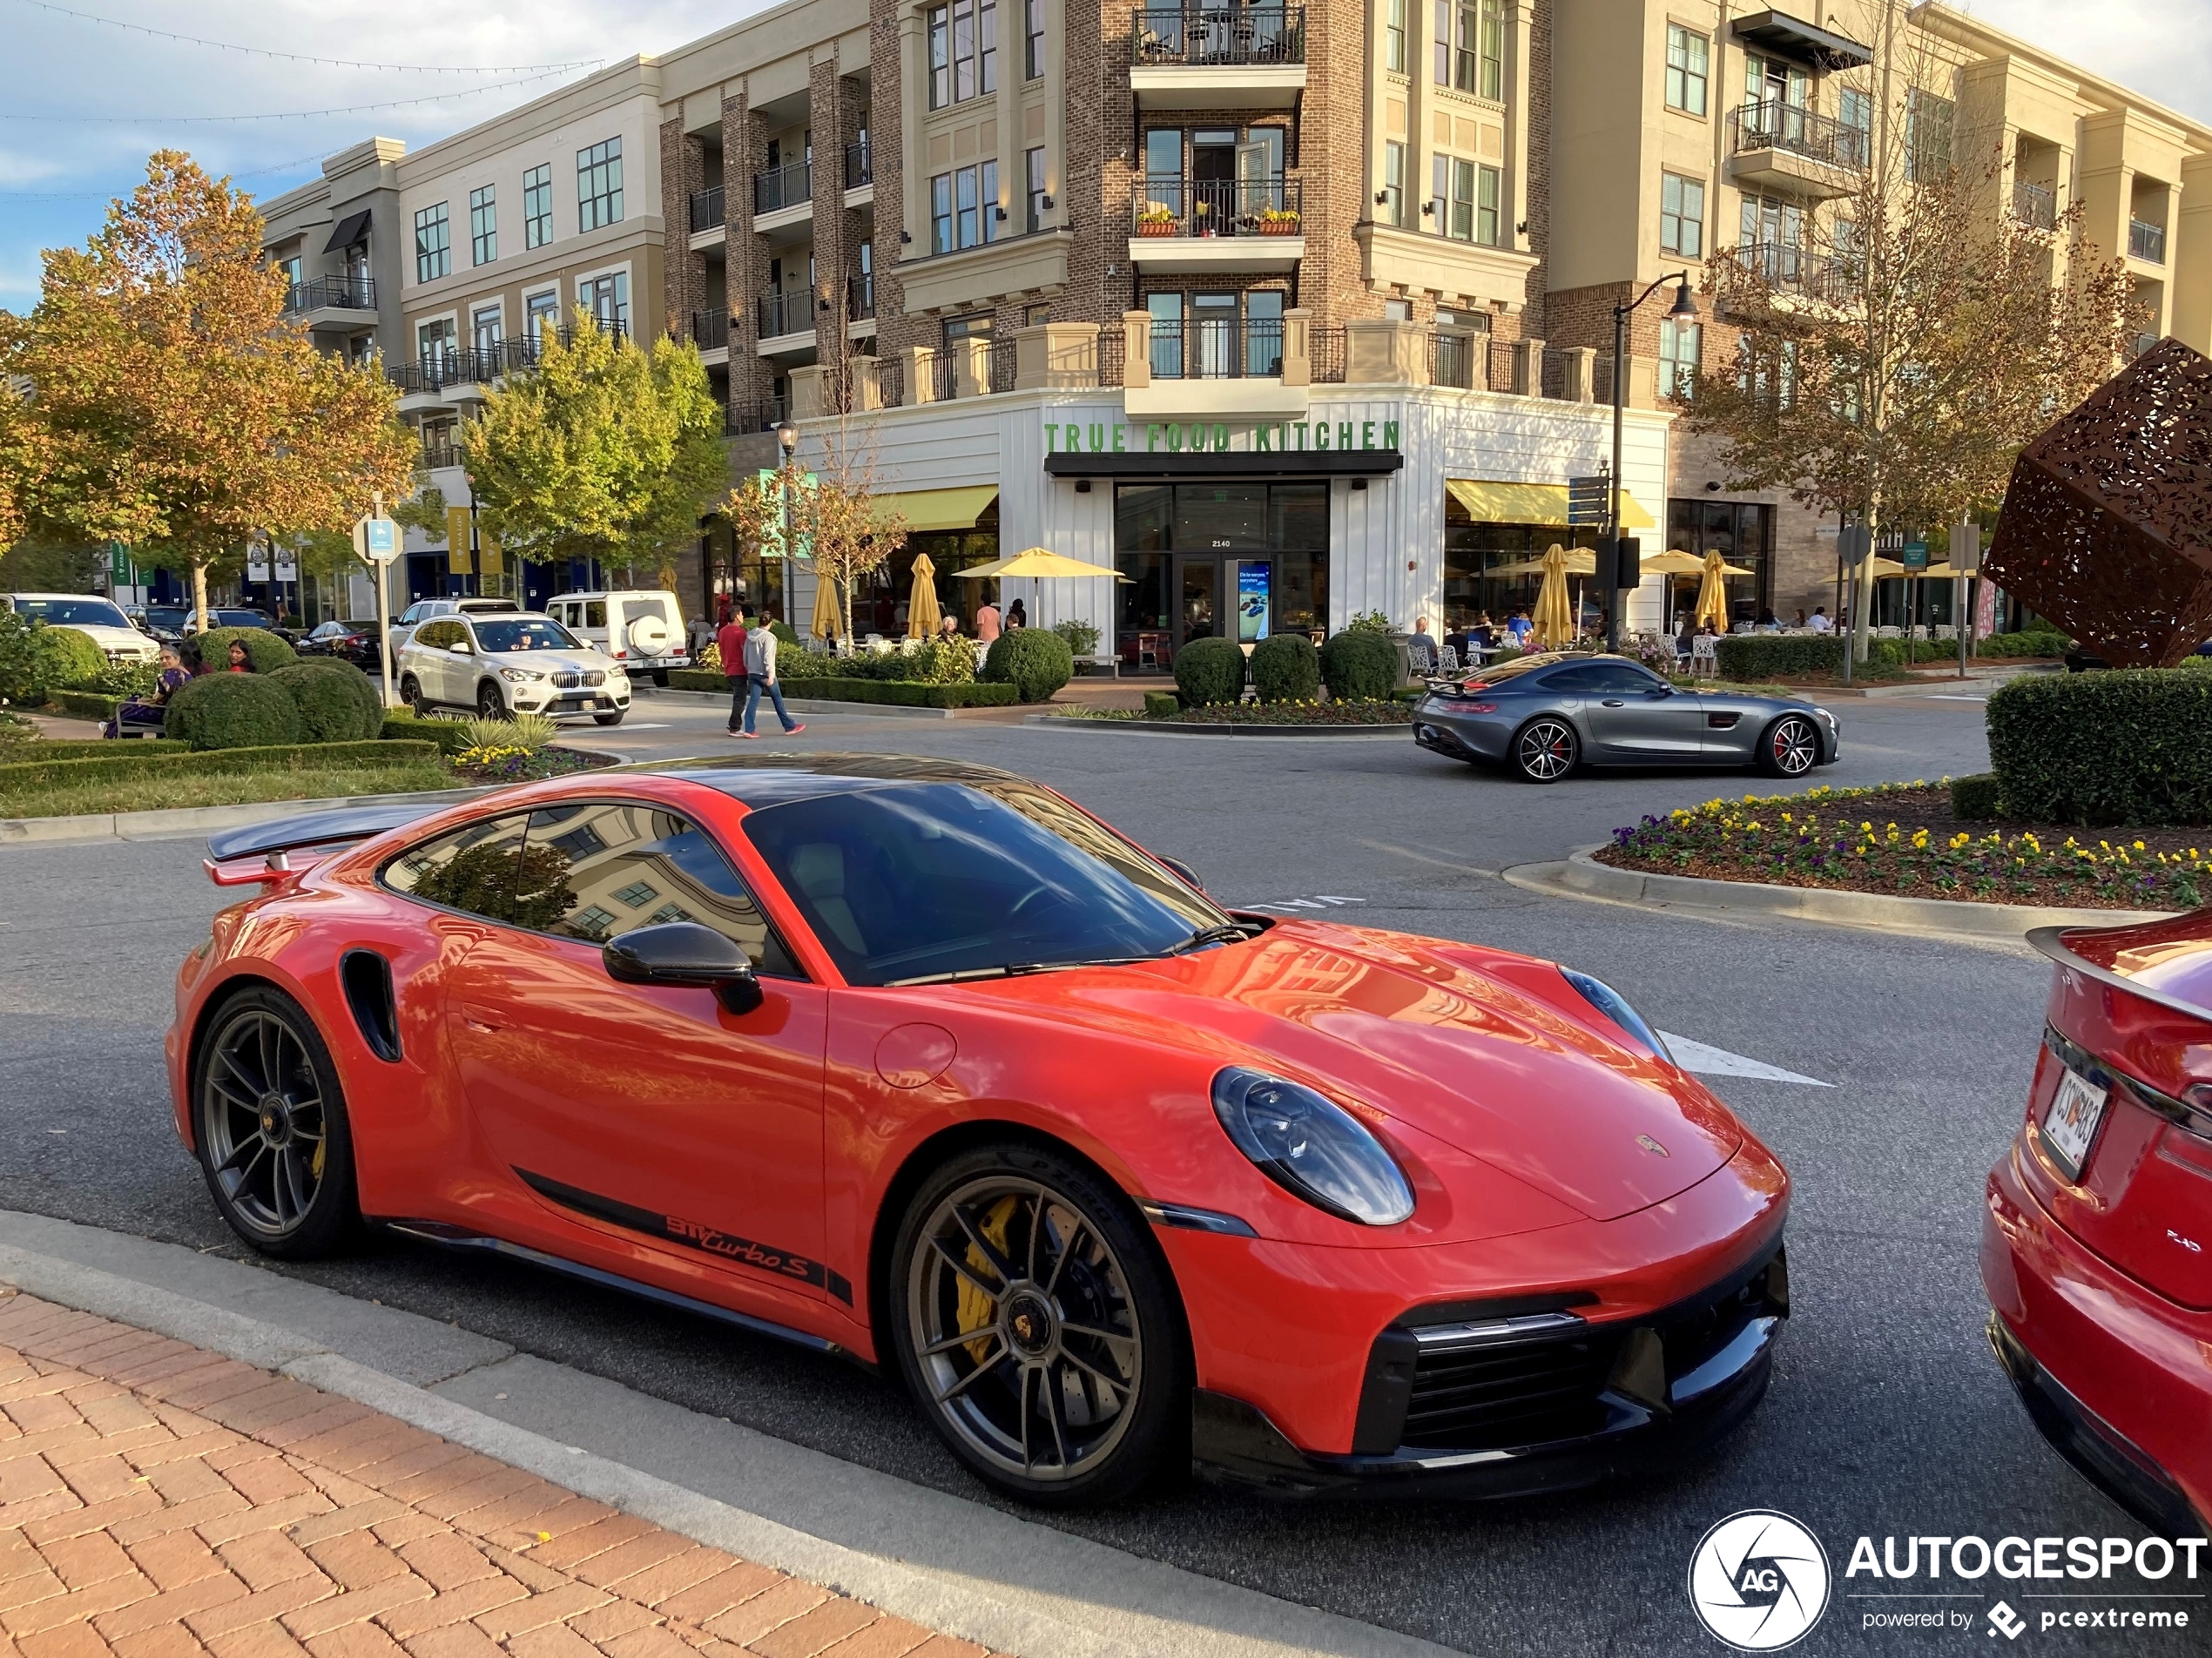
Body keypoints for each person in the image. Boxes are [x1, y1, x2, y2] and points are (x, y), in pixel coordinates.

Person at [738, 619, 806, 738]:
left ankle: (749, 729)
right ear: (770, 623)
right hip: (764, 673)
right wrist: (770, 674)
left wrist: (747, 667)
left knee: (753, 701)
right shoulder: (769, 637)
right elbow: (768, 656)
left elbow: (745, 653)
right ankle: (789, 726)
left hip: (753, 672)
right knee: (777, 700)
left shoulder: (749, 635)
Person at [105, 645, 191, 738]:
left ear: (177, 659)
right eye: (161, 659)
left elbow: (157, 699)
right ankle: (111, 726)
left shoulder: (173, 673)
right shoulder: (186, 673)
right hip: (174, 712)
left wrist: (142, 701)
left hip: (164, 713)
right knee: (132, 704)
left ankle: (110, 730)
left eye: (167, 658)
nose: (164, 661)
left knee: (127, 711)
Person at [718, 609, 752, 736]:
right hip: (739, 669)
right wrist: (749, 667)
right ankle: (734, 727)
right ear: (737, 616)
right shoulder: (740, 632)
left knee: (737, 697)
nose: (743, 616)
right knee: (740, 699)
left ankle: (734, 724)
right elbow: (745, 652)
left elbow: (721, 649)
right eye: (742, 614)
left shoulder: (722, 631)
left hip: (729, 668)